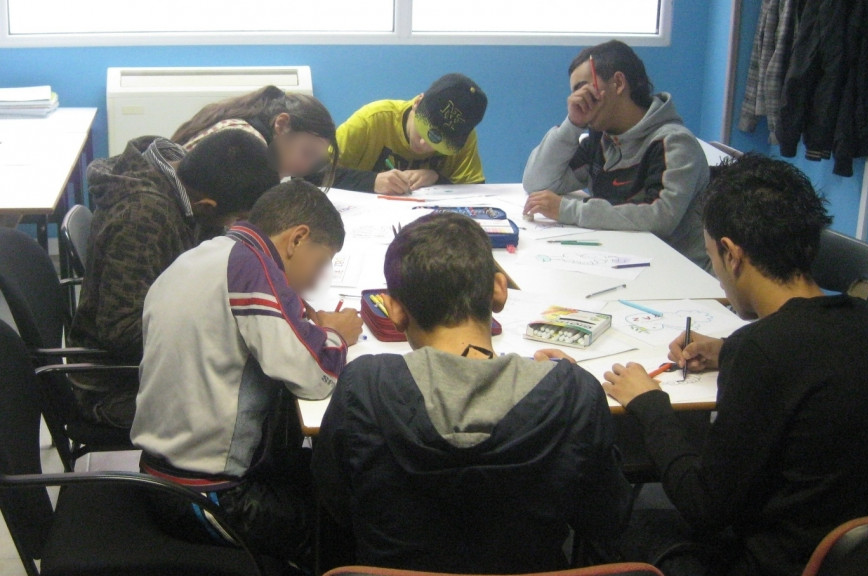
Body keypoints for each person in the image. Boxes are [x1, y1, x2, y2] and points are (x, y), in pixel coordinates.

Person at [602, 154, 868, 576]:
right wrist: (725, 351)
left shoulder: (761, 351)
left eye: (712, 258)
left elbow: (704, 505)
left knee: (617, 528)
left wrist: (651, 405)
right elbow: (811, 362)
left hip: (778, 561)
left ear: (731, 253)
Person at [312, 212, 631, 573]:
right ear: (498, 289)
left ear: (396, 310)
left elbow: (335, 505)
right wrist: (564, 384)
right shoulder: (573, 394)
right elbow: (606, 519)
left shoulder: (364, 387)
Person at [131, 180, 363, 569]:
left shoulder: (210, 254)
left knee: (335, 481)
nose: (319, 278)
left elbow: (279, 336)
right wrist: (338, 334)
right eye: (321, 262)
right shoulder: (251, 266)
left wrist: (312, 329)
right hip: (205, 496)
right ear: (296, 239)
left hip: (163, 469)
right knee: (339, 528)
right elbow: (313, 374)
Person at [68, 130, 279, 429]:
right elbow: (120, 331)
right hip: (115, 383)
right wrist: (221, 328)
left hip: (153, 362)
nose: (235, 227)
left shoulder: (186, 176)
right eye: (236, 219)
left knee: (266, 375)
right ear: (207, 206)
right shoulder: (141, 217)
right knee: (263, 401)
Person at [523, 40, 710, 269]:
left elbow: (660, 217)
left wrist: (567, 210)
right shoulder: (602, 140)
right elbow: (537, 183)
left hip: (678, 273)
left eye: (583, 88)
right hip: (622, 262)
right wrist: (572, 124)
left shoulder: (673, 142)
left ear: (618, 83)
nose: (576, 99)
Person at [334, 73, 488, 194]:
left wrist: (436, 178)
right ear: (417, 103)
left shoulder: (460, 138)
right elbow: (316, 174)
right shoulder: (371, 121)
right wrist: (372, 181)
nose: (424, 145)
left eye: (439, 145)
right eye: (423, 132)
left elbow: (475, 192)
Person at [171, 84, 340, 185]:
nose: (305, 169)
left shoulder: (246, 121)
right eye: (306, 153)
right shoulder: (247, 148)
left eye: (315, 161)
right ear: (281, 125)